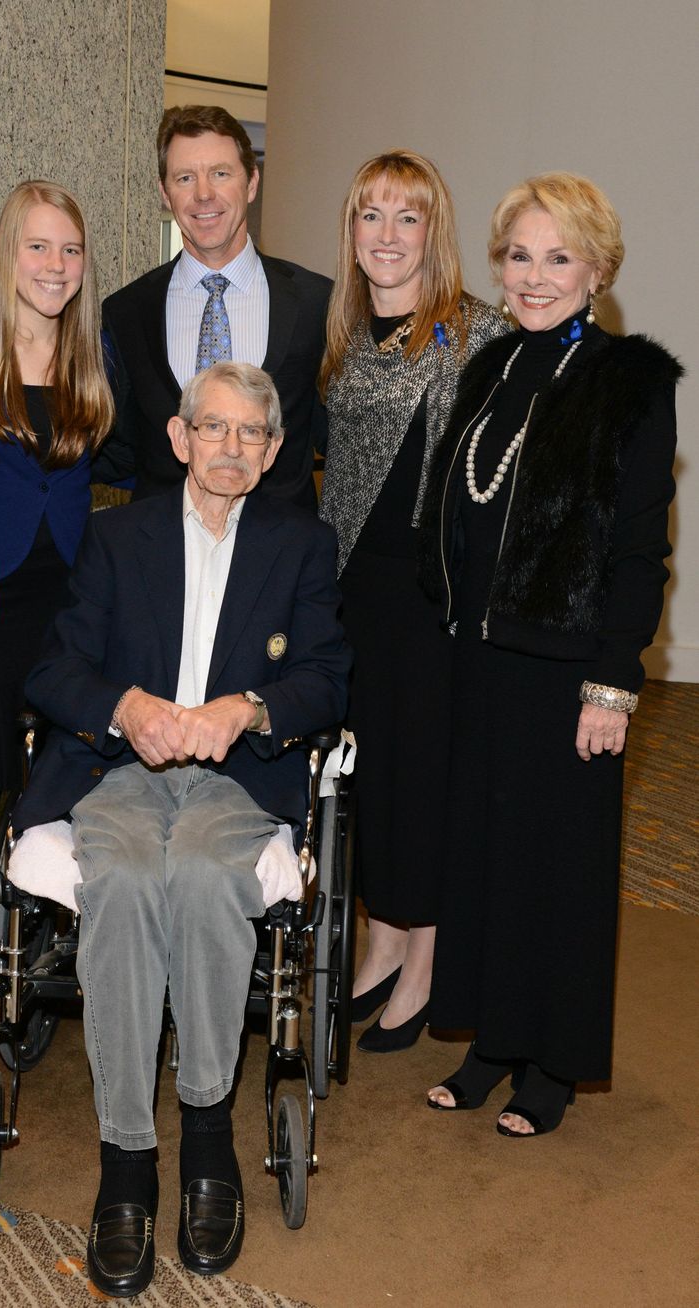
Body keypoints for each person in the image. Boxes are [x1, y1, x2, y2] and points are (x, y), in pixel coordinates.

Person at [11, 362, 349, 1296]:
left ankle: (206, 1133)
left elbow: (327, 677)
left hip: (237, 779)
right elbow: (54, 669)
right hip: (122, 768)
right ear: (179, 436)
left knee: (202, 873)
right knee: (120, 880)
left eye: (252, 433)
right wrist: (125, 706)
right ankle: (126, 1156)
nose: (231, 447)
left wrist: (250, 707)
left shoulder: (302, 544)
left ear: (274, 452)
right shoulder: (118, 536)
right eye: (214, 428)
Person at [419, 173, 679, 1135]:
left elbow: (640, 550)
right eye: (519, 256)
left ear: (598, 270)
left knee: (556, 868)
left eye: (558, 258)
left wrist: (615, 680)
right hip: (480, 660)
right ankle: (492, 1040)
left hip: (571, 672)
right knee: (487, 856)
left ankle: (551, 1065)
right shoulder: (491, 367)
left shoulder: (630, 381)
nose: (534, 277)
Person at [318, 150, 506, 1052]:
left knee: (426, 779)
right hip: (356, 594)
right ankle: (383, 940)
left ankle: (425, 957)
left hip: (436, 602)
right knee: (373, 777)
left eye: (407, 217)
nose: (387, 235)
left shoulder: (480, 334)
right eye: (371, 215)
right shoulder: (347, 336)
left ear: (435, 232)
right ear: (352, 231)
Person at [0, 182, 114, 1011]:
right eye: (38, 246)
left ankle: (44, 950)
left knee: (60, 778)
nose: (55, 264)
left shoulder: (93, 351)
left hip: (68, 600)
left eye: (70, 249)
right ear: (6, 252)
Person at [98, 104, 331, 509]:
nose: (203, 193)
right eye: (185, 178)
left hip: (281, 542)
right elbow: (117, 447)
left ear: (252, 183)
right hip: (163, 542)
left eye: (220, 174)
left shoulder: (317, 302)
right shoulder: (126, 312)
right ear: (165, 193)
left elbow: (342, 439)